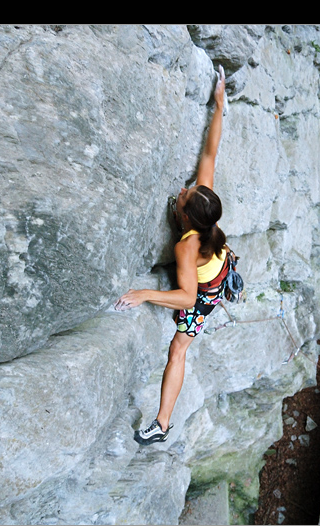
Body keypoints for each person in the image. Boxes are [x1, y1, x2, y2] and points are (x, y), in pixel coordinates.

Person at [114, 66, 228, 445]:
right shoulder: (205, 202)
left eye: (183, 195)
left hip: (205, 291)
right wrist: (219, 106)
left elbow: (187, 298)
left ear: (185, 216)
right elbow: (211, 151)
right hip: (218, 270)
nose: (182, 189)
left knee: (178, 348)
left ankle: (161, 424)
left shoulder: (186, 245)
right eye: (187, 189)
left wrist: (143, 295)